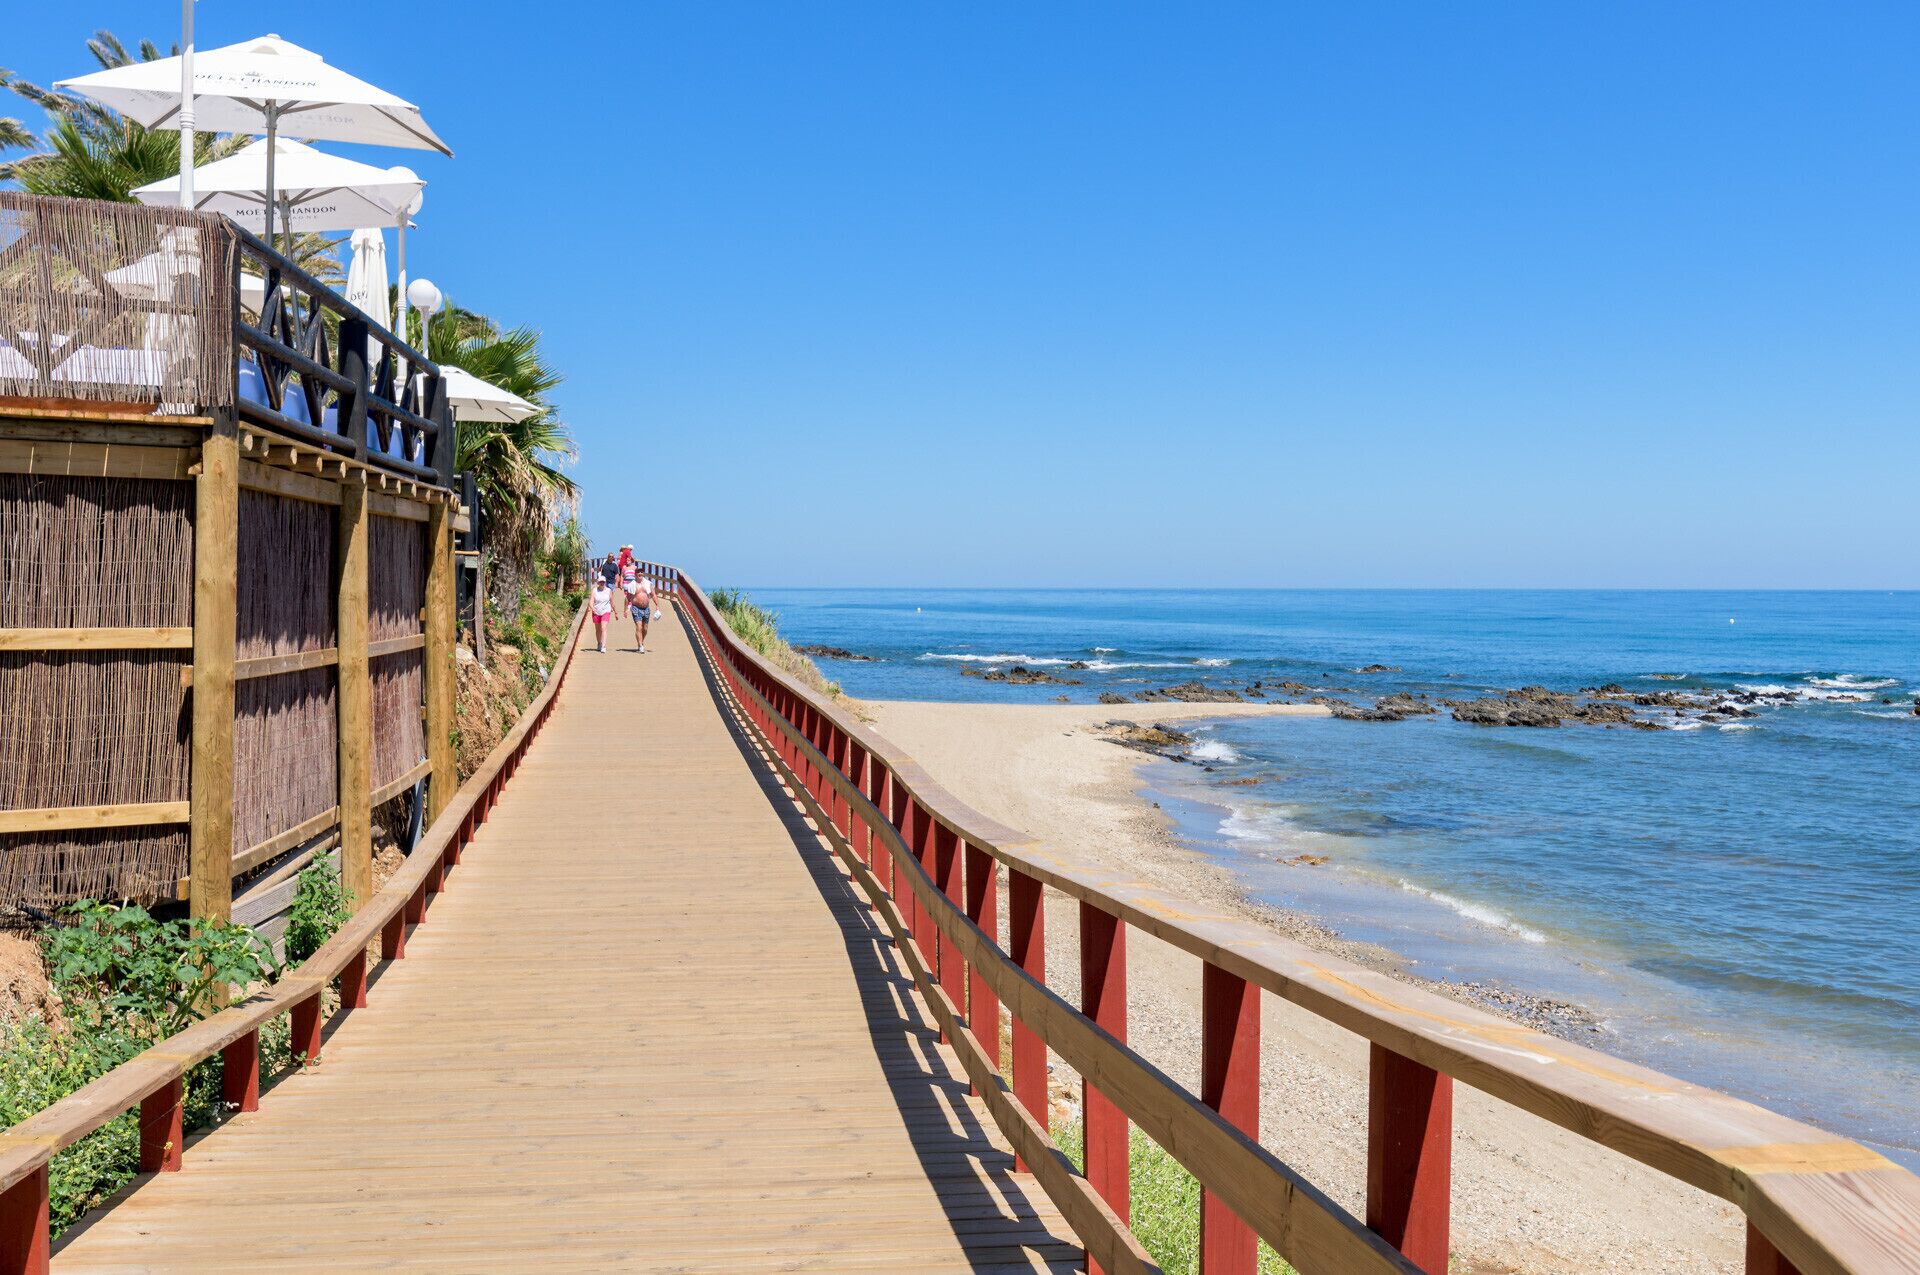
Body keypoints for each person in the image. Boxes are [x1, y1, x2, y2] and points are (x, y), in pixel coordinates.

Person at [625, 569, 656, 653]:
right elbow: (627, 598)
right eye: (638, 572)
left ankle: (641, 641)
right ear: (635, 574)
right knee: (639, 627)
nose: (640, 574)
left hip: (646, 608)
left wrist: (657, 606)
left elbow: (653, 594)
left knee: (645, 628)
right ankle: (640, 646)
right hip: (636, 608)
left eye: (642, 572)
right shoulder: (632, 585)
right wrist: (626, 609)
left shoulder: (648, 584)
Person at [589, 577, 615, 652]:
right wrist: (592, 608)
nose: (602, 583)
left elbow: (612, 601)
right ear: (598, 583)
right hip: (596, 611)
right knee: (598, 630)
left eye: (603, 582)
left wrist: (615, 612)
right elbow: (591, 601)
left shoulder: (608, 590)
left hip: (606, 611)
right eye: (600, 582)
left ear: (605, 582)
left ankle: (603, 646)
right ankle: (599, 643)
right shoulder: (594, 590)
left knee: (603, 628)